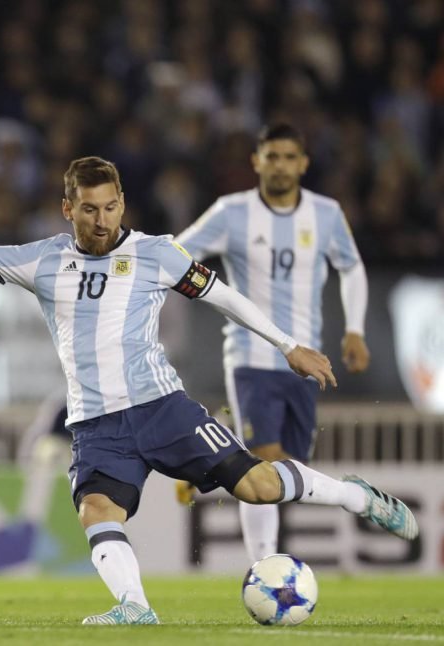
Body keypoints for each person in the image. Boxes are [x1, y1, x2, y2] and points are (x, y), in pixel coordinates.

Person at [0, 156, 417, 625]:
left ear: (122, 203)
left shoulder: (157, 254)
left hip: (162, 408)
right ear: (68, 209)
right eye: (89, 210)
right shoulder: (44, 260)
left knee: (259, 486)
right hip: (96, 424)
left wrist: (287, 345)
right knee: (97, 509)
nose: (101, 221)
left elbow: (224, 297)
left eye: (110, 207)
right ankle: (134, 606)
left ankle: (356, 497)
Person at [174, 124, 370, 562]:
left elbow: (352, 267)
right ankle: (264, 566)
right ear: (256, 161)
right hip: (251, 356)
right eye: (272, 156)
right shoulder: (232, 212)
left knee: (289, 474)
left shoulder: (326, 213)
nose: (280, 165)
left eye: (288, 157)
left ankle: (211, 452)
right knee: (263, 461)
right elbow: (177, 253)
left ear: (303, 164)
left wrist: (355, 329)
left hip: (306, 360)